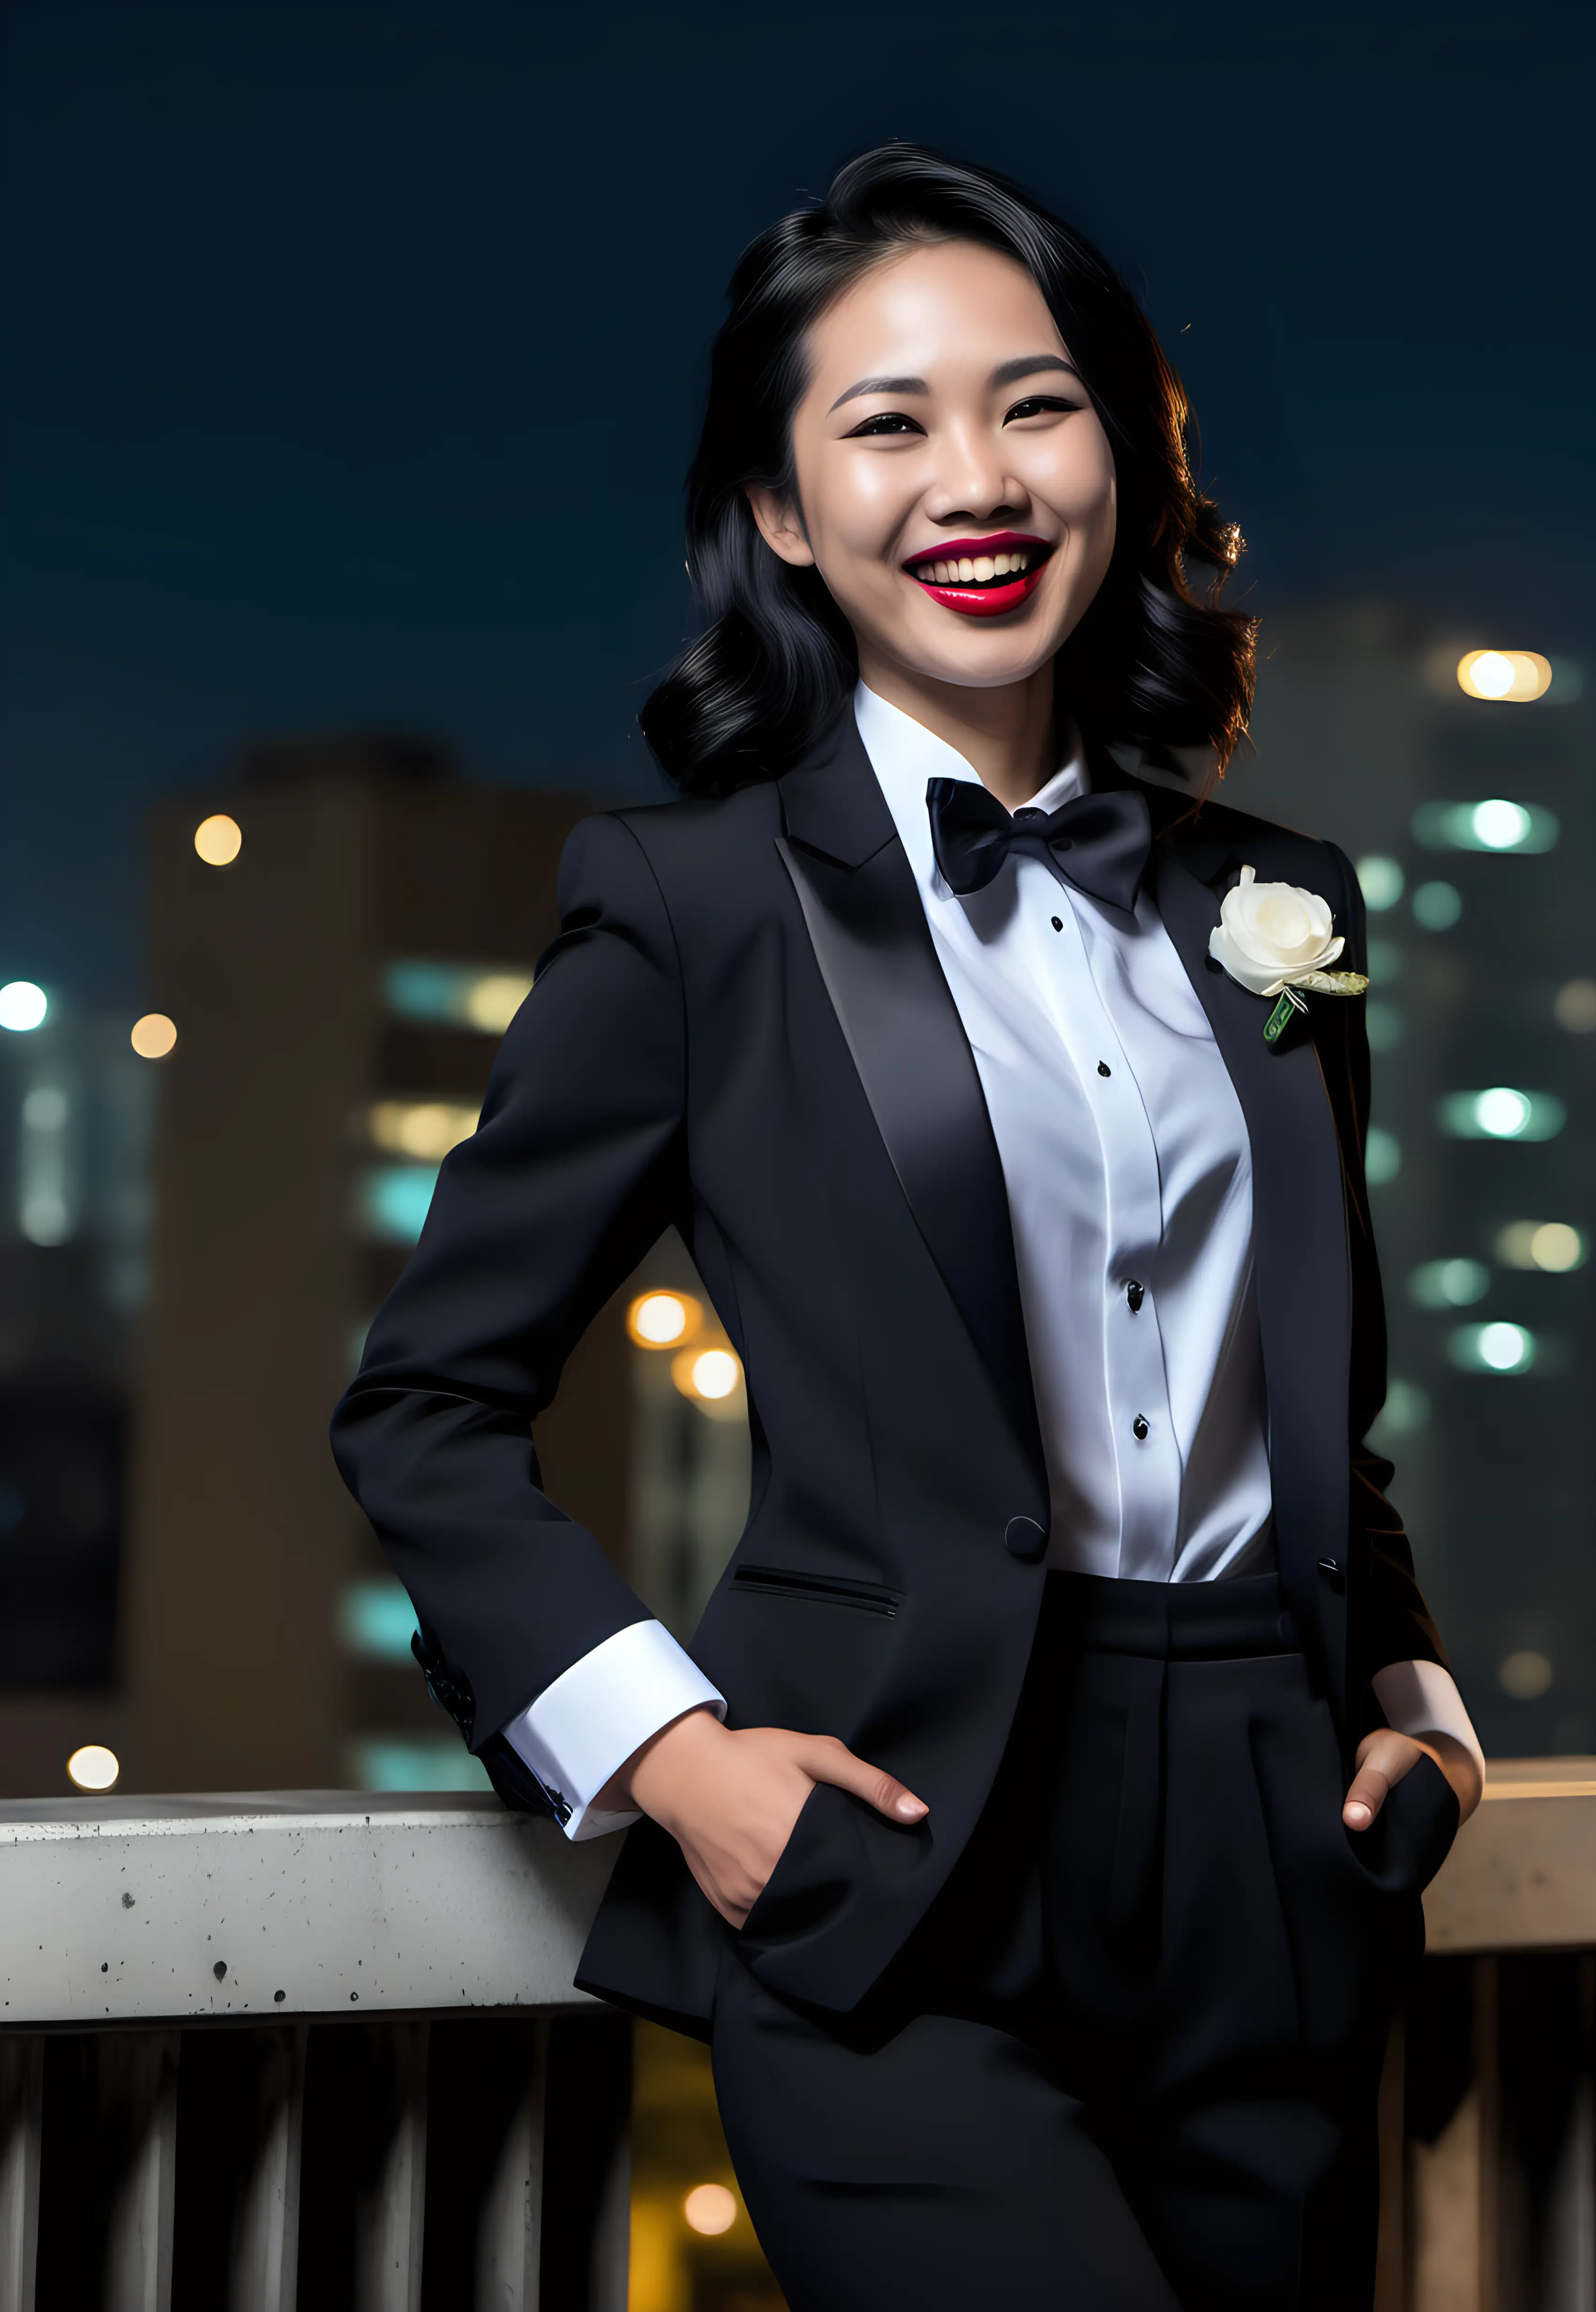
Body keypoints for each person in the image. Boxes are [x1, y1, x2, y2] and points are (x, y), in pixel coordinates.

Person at [332, 142, 1483, 2310]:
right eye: (886, 422)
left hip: (1275, 1854)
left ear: (1126, 460)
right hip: (894, 1866)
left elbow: (1317, 1410)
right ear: (779, 507)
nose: (976, 477)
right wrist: (673, 1759)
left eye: (1035, 405)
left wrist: (1422, 1713)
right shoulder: (688, 910)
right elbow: (428, 1405)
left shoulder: (1285, 904)